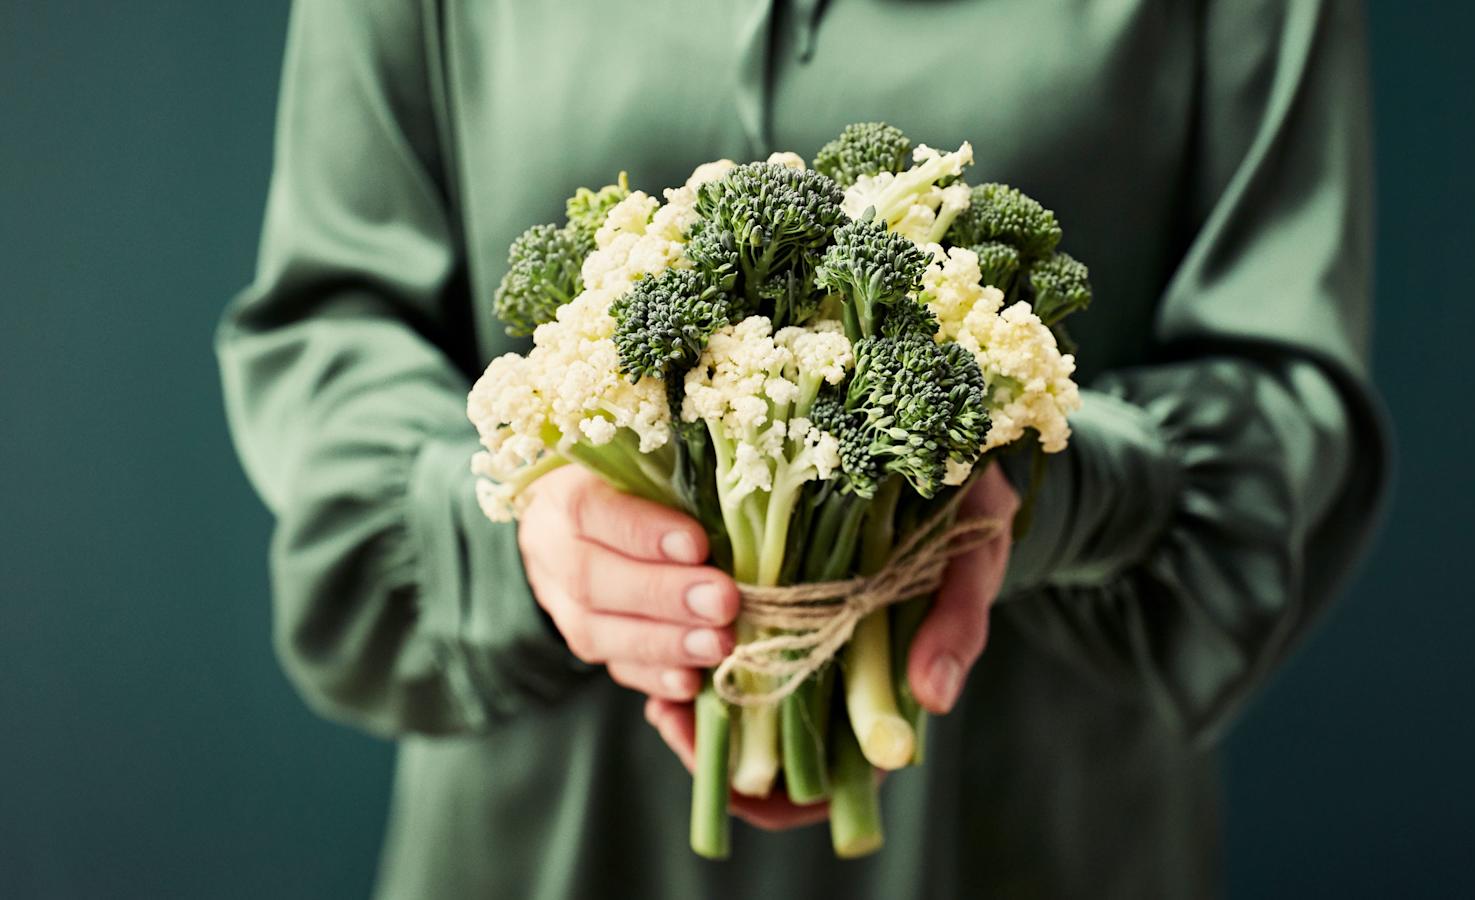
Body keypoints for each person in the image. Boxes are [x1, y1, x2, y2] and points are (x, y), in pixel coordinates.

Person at [217, 1, 1388, 897]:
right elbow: (332, 328)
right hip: (550, 835)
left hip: (1034, 826)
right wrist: (526, 524)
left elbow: (1287, 391)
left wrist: (1037, 490)